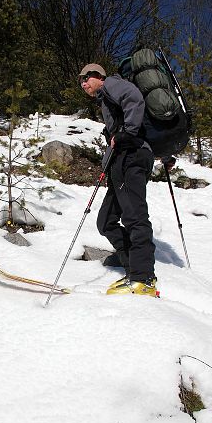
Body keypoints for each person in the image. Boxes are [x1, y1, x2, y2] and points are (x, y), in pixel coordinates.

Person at [79, 63, 157, 296]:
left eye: (86, 78)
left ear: (98, 76)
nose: (83, 83)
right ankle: (132, 267)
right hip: (120, 162)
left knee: (134, 216)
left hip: (131, 158)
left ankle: (144, 279)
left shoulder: (111, 84)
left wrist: (127, 133)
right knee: (106, 221)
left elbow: (134, 98)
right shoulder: (106, 99)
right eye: (80, 81)